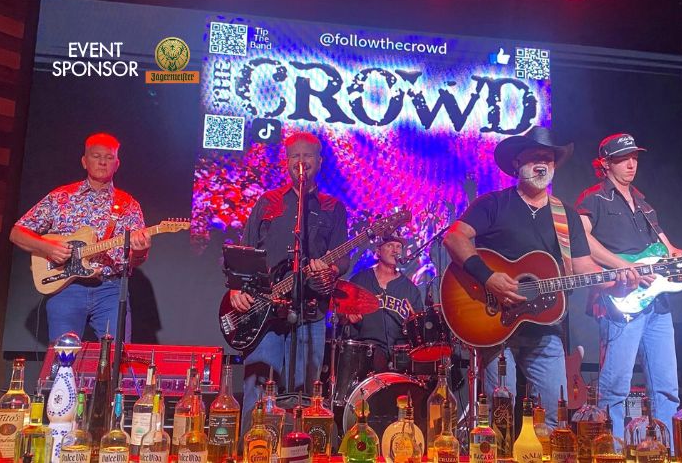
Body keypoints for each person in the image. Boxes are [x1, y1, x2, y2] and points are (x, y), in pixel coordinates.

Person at [443, 126, 634, 426]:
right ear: (517, 164)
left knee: (555, 418)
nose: (541, 163)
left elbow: (584, 268)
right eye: (533, 157)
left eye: (547, 158)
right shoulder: (493, 204)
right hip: (494, 323)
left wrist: (616, 282)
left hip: (546, 327)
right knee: (497, 418)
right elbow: (455, 238)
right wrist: (489, 277)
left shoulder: (566, 215)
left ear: (555, 166)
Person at [575, 133, 682, 439]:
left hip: (657, 305)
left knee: (667, 388)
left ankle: (669, 451)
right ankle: (611, 451)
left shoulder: (644, 204)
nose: (631, 164)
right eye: (623, 158)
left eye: (635, 158)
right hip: (620, 300)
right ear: (605, 163)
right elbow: (580, 239)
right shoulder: (594, 198)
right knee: (615, 388)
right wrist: (621, 264)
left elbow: (672, 253)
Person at [230, 132, 348, 432]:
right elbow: (244, 251)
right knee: (259, 386)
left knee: (302, 393)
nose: (301, 161)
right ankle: (251, 451)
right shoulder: (268, 202)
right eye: (295, 155)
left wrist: (328, 269)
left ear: (319, 162)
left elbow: (342, 259)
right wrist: (236, 288)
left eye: (307, 155)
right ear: (286, 161)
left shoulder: (332, 207)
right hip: (264, 314)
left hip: (310, 312)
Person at [10, 132, 151, 343]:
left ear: (117, 163)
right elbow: (17, 232)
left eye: (109, 157)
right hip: (66, 288)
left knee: (116, 360)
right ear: (84, 161)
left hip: (110, 290)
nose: (103, 162)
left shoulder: (129, 205)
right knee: (63, 358)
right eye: (96, 156)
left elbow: (134, 260)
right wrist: (47, 248)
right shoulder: (61, 197)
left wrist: (140, 250)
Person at [345, 234, 424, 372]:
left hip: (401, 357)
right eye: (390, 245)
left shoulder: (411, 289)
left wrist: (414, 323)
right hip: (366, 353)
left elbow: (418, 330)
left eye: (399, 246)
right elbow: (339, 312)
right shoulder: (360, 280)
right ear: (378, 251)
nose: (395, 250)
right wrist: (347, 315)